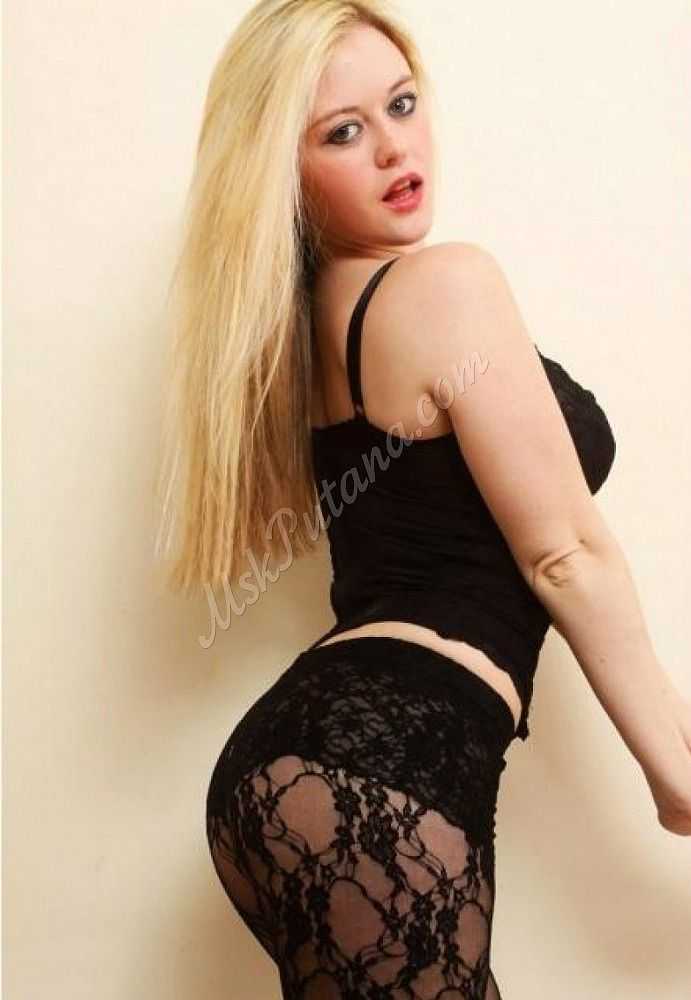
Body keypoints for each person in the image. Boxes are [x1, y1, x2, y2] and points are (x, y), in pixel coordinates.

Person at [154, 2, 691, 996]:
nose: (395, 147)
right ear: (281, 170)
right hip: (379, 763)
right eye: (342, 132)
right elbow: (563, 552)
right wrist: (673, 774)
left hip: (307, 760)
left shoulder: (301, 329)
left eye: (401, 105)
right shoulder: (445, 286)